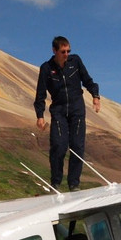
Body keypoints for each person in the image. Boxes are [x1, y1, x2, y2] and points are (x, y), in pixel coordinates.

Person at [33, 35, 101, 191]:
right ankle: (55, 182)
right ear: (54, 50)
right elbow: (40, 94)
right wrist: (40, 116)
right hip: (59, 110)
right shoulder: (46, 68)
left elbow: (88, 80)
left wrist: (95, 96)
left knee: (77, 146)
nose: (66, 54)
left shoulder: (75, 62)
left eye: (68, 51)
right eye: (63, 51)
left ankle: (74, 184)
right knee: (58, 145)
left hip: (77, 109)